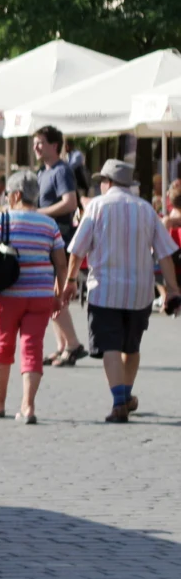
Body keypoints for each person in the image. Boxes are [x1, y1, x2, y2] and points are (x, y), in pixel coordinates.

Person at [61, 160, 181, 423]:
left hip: (104, 290)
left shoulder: (97, 207)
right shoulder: (146, 209)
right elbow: (166, 254)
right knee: (131, 346)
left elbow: (77, 249)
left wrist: (70, 281)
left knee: (111, 347)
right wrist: (172, 289)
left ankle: (118, 403)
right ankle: (125, 396)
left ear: (108, 182)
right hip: (140, 292)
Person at [0, 171, 68, 424]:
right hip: (41, 295)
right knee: (32, 348)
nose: (6, 198)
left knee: (3, 344)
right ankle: (27, 406)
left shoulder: (4, 219)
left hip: (8, 293)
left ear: (17, 195)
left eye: (8, 194)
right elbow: (61, 264)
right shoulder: (49, 224)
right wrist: (59, 294)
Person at [33, 125, 87, 367]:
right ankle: (63, 345)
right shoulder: (42, 172)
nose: (36, 146)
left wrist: (38, 212)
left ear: (55, 146)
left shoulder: (61, 171)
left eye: (40, 142)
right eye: (35, 142)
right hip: (48, 238)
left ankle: (73, 344)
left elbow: (70, 203)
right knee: (49, 294)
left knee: (54, 294)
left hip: (60, 239)